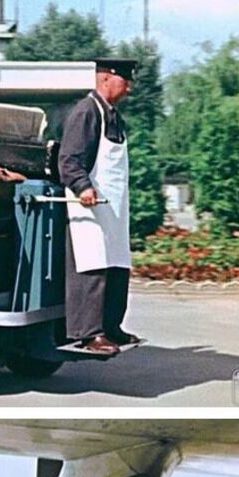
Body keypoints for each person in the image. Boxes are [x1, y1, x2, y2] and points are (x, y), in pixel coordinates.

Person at [57, 57, 141, 354]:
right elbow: (68, 161)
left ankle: (111, 328)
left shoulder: (113, 115)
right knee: (93, 268)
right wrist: (83, 186)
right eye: (125, 81)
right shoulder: (86, 112)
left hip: (113, 209)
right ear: (106, 79)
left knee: (117, 266)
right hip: (88, 207)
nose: (129, 88)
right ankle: (89, 333)